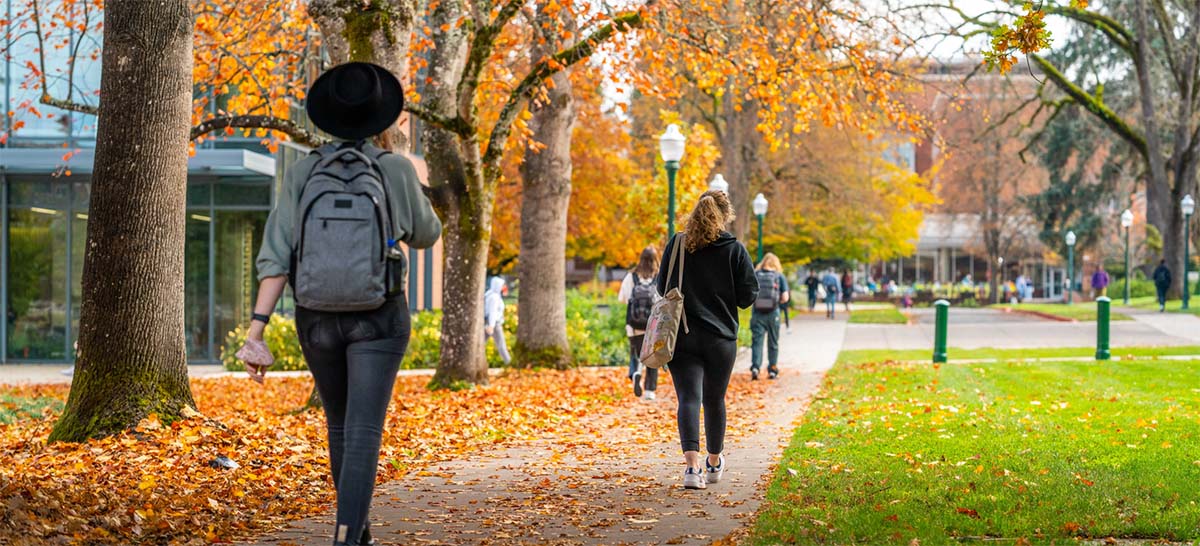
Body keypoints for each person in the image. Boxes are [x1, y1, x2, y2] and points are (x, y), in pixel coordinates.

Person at [235, 62, 443, 546]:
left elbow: (276, 255)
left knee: (340, 424)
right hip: (379, 317)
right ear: (382, 118)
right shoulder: (394, 168)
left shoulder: (304, 170)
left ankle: (357, 532)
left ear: (327, 116)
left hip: (316, 318)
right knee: (365, 427)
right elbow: (428, 234)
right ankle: (348, 536)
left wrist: (256, 332)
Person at [656, 190, 758, 490]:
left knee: (689, 398)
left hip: (682, 335)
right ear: (725, 216)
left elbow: (663, 286)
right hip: (720, 339)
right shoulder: (735, 250)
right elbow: (747, 297)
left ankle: (691, 468)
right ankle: (714, 463)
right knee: (714, 399)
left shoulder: (677, 244)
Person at [619, 246, 660, 400]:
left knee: (636, 353)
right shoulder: (658, 276)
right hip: (653, 326)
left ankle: (636, 372)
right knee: (652, 356)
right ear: (655, 259)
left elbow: (622, 298)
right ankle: (650, 390)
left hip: (633, 326)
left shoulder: (632, 276)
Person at [750, 253, 789, 380]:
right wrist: (777, 302)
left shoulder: (756, 274)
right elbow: (785, 297)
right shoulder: (779, 276)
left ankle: (755, 367)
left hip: (757, 313)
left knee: (757, 341)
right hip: (773, 313)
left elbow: (750, 293)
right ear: (776, 263)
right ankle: (772, 369)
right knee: (773, 342)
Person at [484, 277, 511, 364]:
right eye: (503, 285)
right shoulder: (494, 298)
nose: (504, 287)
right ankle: (509, 363)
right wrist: (491, 326)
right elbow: (492, 312)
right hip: (494, 324)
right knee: (501, 345)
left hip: (491, 323)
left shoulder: (491, 295)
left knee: (480, 343)